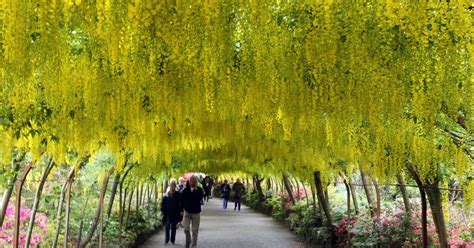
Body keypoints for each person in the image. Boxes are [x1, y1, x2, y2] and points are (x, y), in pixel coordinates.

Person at [180, 175, 204, 248]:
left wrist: (196, 189)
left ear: (196, 182)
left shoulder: (199, 190)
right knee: (186, 229)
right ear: (189, 181)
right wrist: (181, 210)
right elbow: (182, 200)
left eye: (194, 181)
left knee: (195, 230)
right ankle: (188, 240)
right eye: (191, 181)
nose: (192, 182)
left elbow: (200, 198)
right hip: (187, 212)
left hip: (196, 212)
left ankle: (193, 245)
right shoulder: (185, 190)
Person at [161, 179, 181, 245]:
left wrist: (180, 213)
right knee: (167, 226)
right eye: (170, 185)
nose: (171, 187)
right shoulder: (166, 195)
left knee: (173, 228)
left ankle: (172, 240)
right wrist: (162, 211)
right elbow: (163, 204)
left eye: (173, 185)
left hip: (175, 214)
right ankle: (166, 240)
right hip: (168, 214)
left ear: (175, 186)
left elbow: (180, 205)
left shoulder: (178, 195)